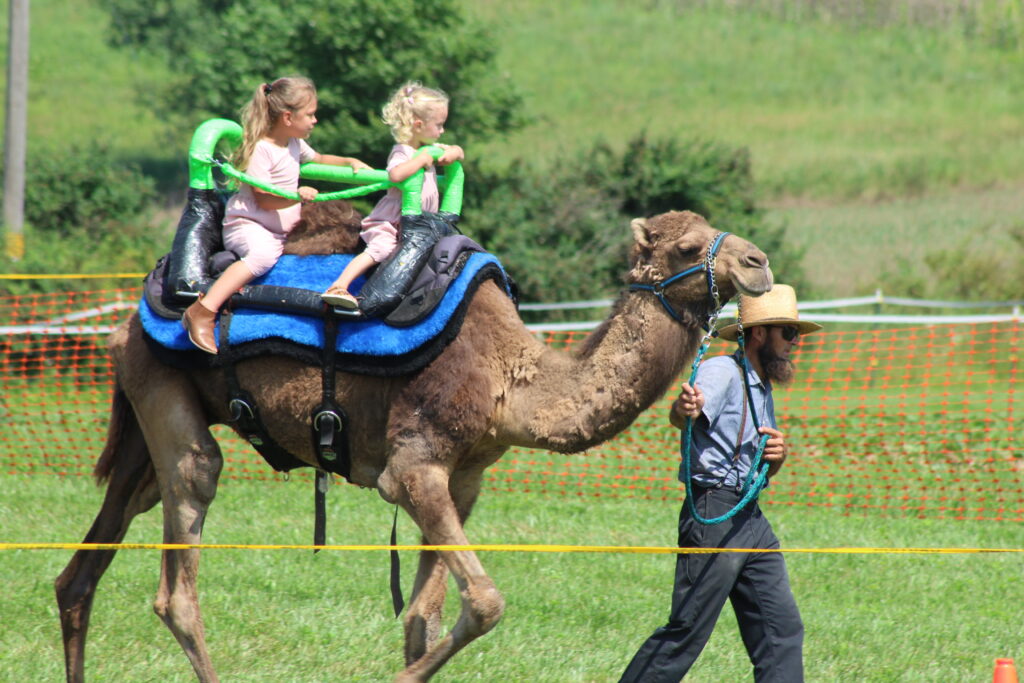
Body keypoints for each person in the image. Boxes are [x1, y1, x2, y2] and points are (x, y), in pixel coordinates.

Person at [619, 284, 822, 683]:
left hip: (751, 519)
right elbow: (685, 413)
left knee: (781, 630)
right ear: (759, 333)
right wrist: (685, 408)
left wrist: (776, 459)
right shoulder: (722, 371)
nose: (794, 343)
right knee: (687, 630)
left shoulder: (762, 385)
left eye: (796, 334)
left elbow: (761, 469)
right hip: (715, 512)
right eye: (788, 332)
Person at [182, 76, 371, 353]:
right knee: (262, 257)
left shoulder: (294, 143)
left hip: (278, 229)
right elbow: (264, 198)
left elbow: (319, 159)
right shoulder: (262, 149)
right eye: (310, 114)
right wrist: (297, 195)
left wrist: (349, 162)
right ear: (287, 117)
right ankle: (204, 309)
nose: (315, 120)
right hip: (248, 224)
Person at [321, 81, 464, 309]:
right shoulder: (403, 151)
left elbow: (458, 152)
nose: (442, 131)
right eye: (439, 125)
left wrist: (453, 151)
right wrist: (420, 160)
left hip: (420, 224)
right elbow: (396, 174)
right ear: (418, 125)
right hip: (390, 222)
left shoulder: (429, 148)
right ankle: (339, 285)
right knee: (382, 249)